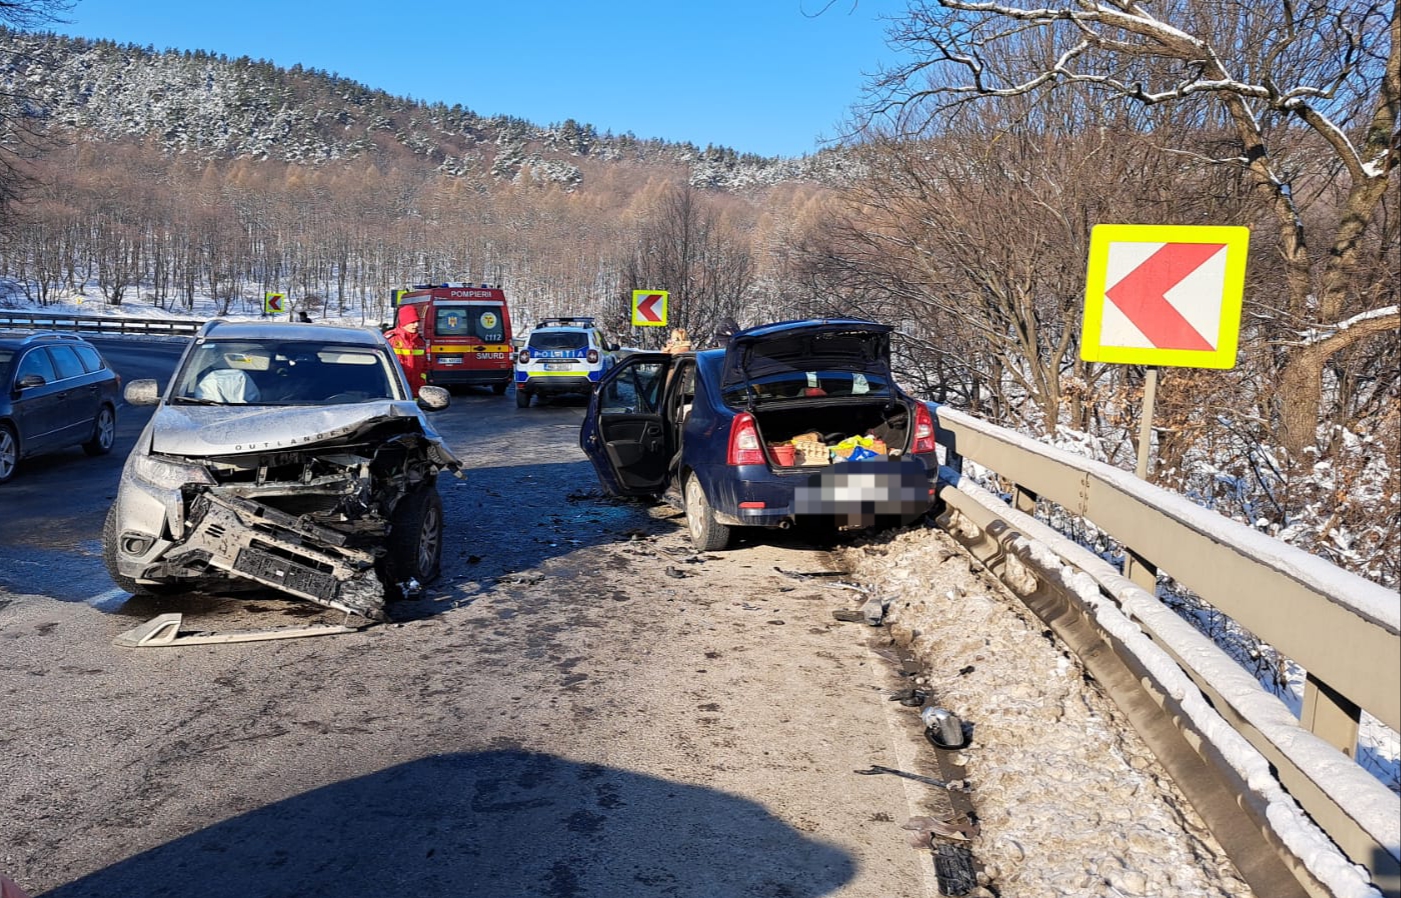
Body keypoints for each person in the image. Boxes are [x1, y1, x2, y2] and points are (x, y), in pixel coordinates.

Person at [386, 304, 429, 396]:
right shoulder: (391, 339)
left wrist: (421, 381)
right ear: (404, 322)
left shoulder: (420, 341)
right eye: (412, 322)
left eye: (417, 321)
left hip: (416, 391)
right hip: (395, 391)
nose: (416, 325)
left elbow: (425, 366)